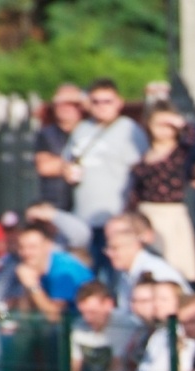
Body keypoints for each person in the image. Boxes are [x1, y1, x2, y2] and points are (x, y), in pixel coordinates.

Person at [62, 79, 147, 261]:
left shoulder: (129, 129)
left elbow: (141, 170)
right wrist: (67, 171)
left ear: (119, 102)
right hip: (83, 216)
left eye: (107, 101)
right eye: (96, 101)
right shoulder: (82, 129)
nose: (101, 107)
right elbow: (67, 160)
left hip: (114, 216)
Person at [128, 103, 195, 281]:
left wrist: (177, 121)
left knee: (176, 267)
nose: (164, 130)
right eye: (158, 124)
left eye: (168, 126)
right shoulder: (144, 155)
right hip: (147, 214)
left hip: (171, 215)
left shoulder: (180, 152)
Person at [104, 212, 188, 308]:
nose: (109, 253)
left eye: (115, 248)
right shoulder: (124, 275)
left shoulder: (156, 271)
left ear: (134, 245)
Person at [34, 84, 87, 213]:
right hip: (56, 204)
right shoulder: (46, 134)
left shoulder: (90, 131)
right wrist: (69, 167)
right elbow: (45, 167)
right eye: (60, 103)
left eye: (71, 103)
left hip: (85, 204)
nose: (65, 108)